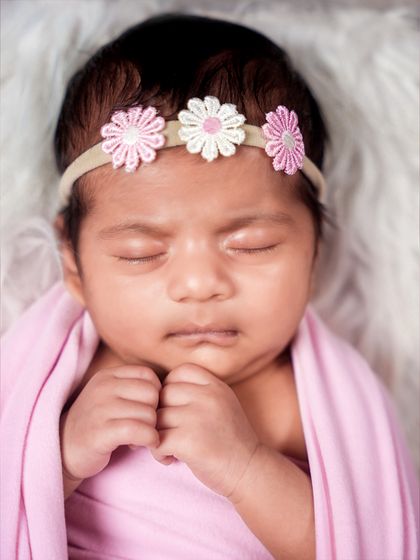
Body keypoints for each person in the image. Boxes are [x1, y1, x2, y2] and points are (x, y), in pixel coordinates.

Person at [1, 12, 418, 560]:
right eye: (142, 253)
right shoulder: (53, 382)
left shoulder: (308, 404)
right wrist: (57, 460)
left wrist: (247, 467)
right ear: (74, 266)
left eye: (252, 245)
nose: (200, 285)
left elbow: (366, 543)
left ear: (314, 253)